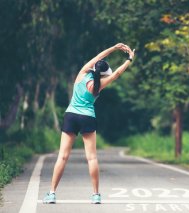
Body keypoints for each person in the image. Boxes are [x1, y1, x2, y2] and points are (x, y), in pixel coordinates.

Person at [43, 43, 135, 204]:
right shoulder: (100, 84)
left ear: (93, 68)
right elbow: (118, 73)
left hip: (71, 116)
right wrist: (130, 59)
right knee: (92, 158)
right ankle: (96, 195)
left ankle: (51, 193)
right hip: (87, 118)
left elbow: (99, 57)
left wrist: (114, 48)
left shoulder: (82, 74)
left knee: (63, 156)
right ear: (104, 74)